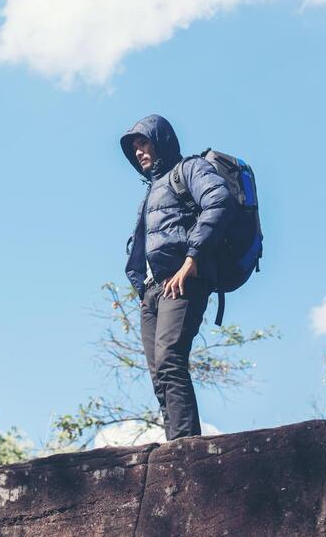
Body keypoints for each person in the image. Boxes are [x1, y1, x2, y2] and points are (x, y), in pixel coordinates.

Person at [121, 114, 233, 441]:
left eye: (145, 142)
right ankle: (176, 445)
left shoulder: (189, 169)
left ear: (161, 140)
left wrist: (192, 258)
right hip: (152, 291)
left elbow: (219, 199)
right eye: (135, 147)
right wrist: (141, 287)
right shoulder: (153, 189)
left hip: (182, 279)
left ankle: (186, 451)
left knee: (170, 362)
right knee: (159, 374)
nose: (140, 151)